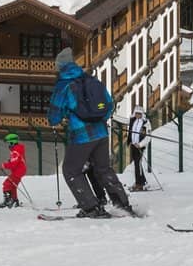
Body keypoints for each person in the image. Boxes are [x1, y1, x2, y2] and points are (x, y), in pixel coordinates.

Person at [48, 47, 133, 218]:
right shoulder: (89, 80)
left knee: (71, 170)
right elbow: (108, 104)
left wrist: (59, 120)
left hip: (81, 136)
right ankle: (122, 204)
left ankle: (91, 207)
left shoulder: (64, 85)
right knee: (103, 169)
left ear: (60, 67)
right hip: (101, 133)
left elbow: (54, 115)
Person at [0, 133, 27, 208]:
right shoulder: (17, 150)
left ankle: (8, 201)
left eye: (9, 143)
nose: (8, 146)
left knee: (7, 184)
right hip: (19, 171)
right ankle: (14, 200)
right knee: (13, 186)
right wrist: (9, 162)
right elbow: (15, 161)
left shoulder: (16, 151)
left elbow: (13, 163)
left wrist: (3, 165)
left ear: (12, 142)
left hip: (18, 171)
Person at [128, 106, 152, 191]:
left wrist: (140, 144)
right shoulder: (133, 121)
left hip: (140, 146)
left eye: (139, 113)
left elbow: (148, 137)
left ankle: (140, 183)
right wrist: (130, 141)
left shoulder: (146, 123)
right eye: (136, 113)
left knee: (138, 163)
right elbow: (130, 131)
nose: (138, 115)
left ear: (142, 114)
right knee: (136, 164)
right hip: (133, 145)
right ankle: (141, 181)